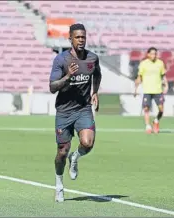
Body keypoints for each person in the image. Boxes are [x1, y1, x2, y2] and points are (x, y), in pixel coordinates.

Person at [49, 23, 102, 202]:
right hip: (64, 111)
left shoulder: (92, 58)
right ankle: (59, 185)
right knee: (61, 152)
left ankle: (76, 157)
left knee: (87, 143)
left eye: (83, 37)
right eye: (78, 37)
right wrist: (67, 77)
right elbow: (52, 87)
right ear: (70, 39)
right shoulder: (61, 60)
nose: (81, 40)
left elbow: (98, 74)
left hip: (83, 108)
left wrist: (94, 91)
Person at [134, 47, 168, 134]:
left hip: (158, 90)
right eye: (152, 53)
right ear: (148, 54)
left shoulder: (160, 63)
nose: (154, 55)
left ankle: (156, 121)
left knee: (161, 109)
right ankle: (148, 126)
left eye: (155, 54)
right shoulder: (143, 64)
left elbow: (163, 76)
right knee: (146, 109)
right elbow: (139, 77)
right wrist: (135, 89)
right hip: (147, 90)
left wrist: (166, 85)